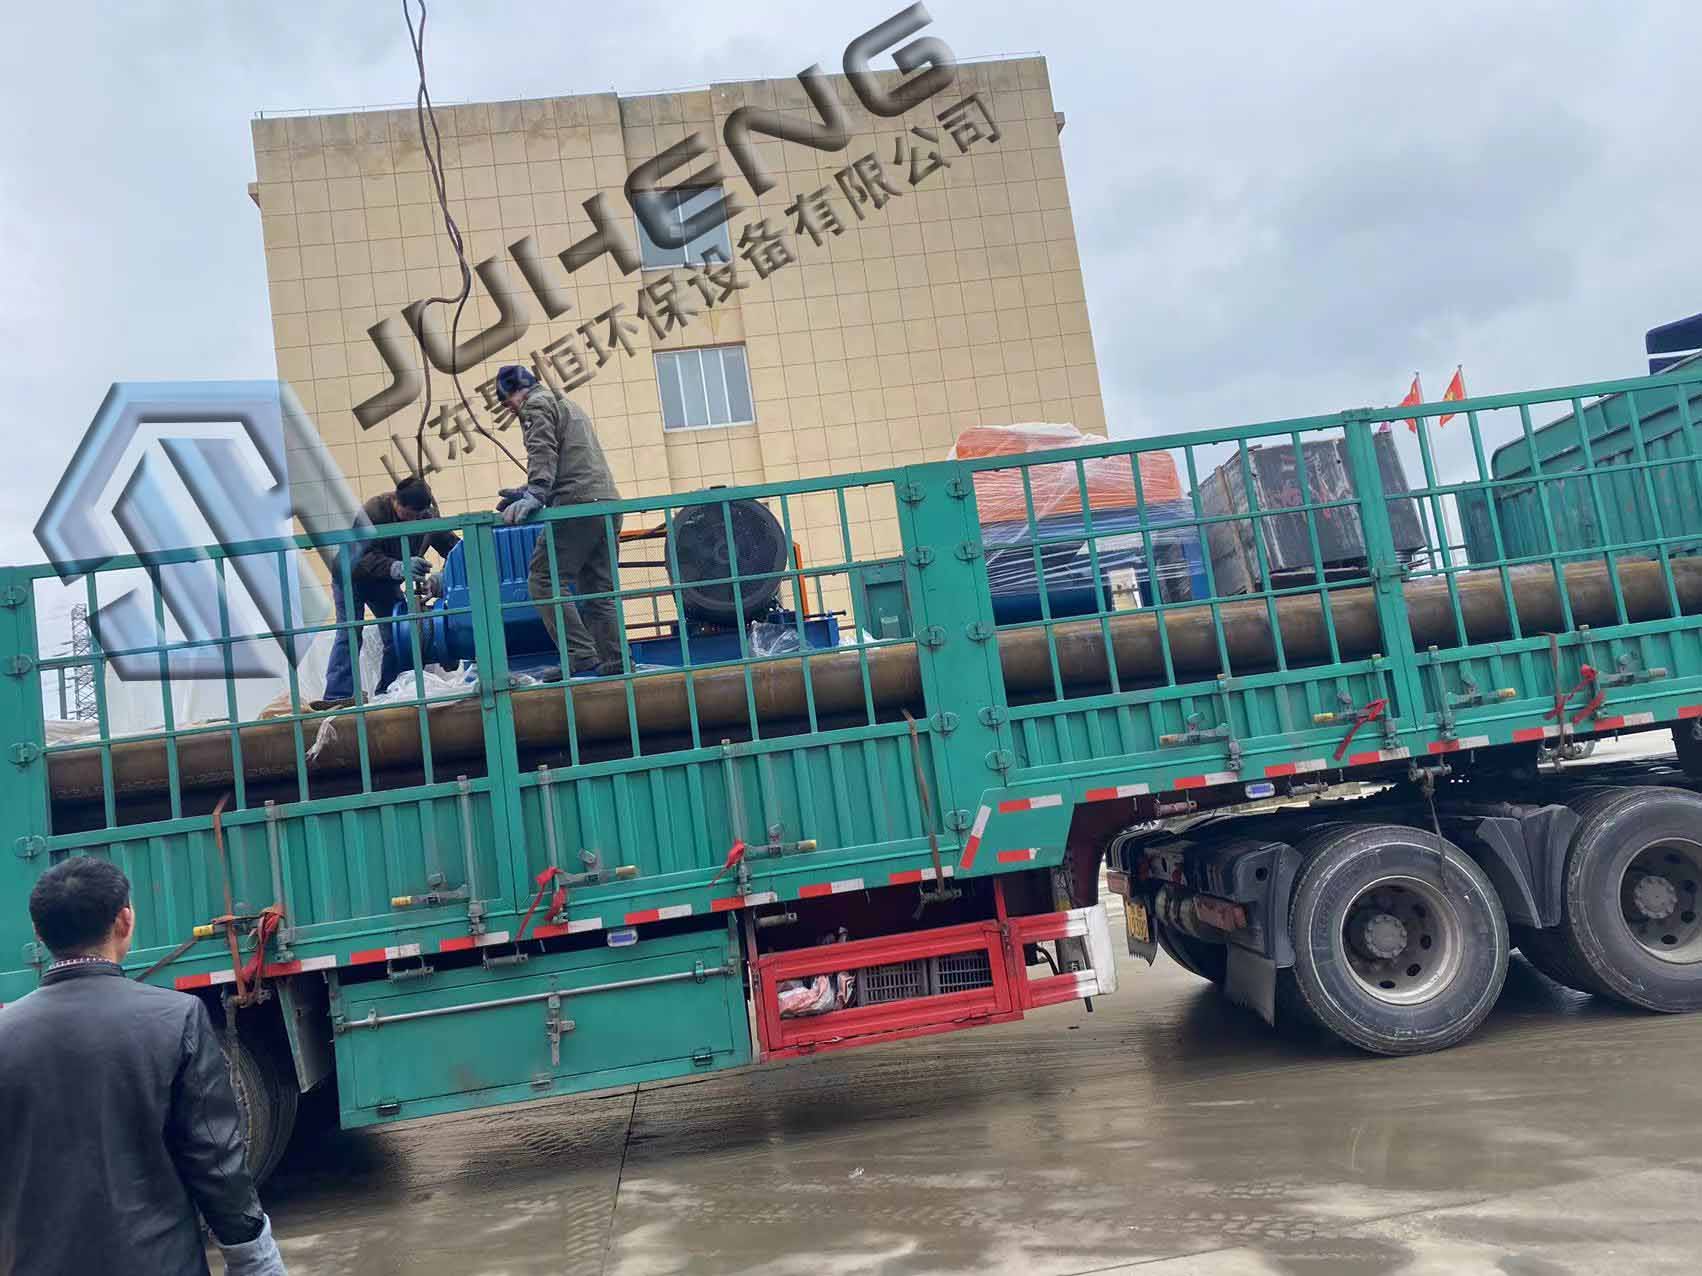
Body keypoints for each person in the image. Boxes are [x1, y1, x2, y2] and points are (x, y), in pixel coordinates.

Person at [0, 857, 287, 1276]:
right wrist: (253, 1260)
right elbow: (216, 1162)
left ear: (38, 933)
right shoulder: (176, 1018)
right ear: (125, 920)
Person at [494, 364, 626, 675]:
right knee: (599, 589)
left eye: (506, 402)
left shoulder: (535, 405)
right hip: (605, 503)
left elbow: (542, 449)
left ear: (515, 394)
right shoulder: (565, 403)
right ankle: (616, 661)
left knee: (543, 579)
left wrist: (535, 492)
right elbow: (570, 457)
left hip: (576, 505)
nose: (509, 410)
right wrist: (527, 490)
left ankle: (579, 655)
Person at [321, 474, 459, 704]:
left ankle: (391, 690)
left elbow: (454, 549)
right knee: (349, 633)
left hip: (384, 582)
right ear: (396, 500)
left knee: (399, 632)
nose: (411, 521)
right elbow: (358, 558)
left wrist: (443, 577)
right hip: (351, 577)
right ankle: (338, 695)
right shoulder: (374, 511)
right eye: (407, 515)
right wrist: (396, 566)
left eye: (417, 517)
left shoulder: (428, 518)